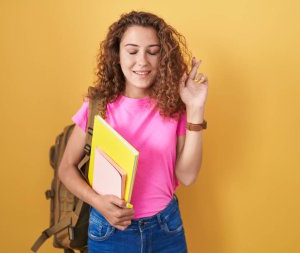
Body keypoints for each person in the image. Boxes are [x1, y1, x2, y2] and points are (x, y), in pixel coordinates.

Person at [58, 10, 208, 253]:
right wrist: (98, 203)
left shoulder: (175, 107)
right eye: (132, 51)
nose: (142, 61)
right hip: (110, 230)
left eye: (153, 52)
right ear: (117, 55)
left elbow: (188, 177)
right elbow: (66, 168)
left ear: (163, 58)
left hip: (166, 229)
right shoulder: (98, 107)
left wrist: (195, 108)